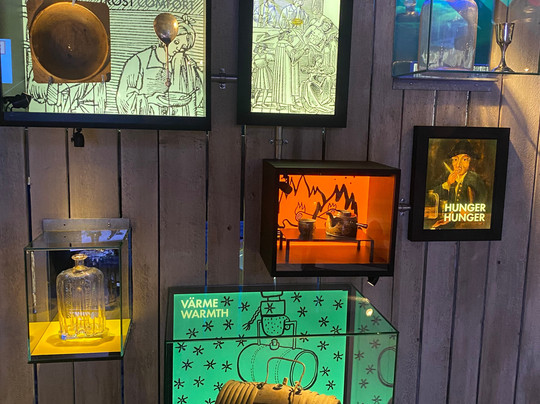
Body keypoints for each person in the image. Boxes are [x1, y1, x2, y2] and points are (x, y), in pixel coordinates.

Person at [116, 15, 203, 116]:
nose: (178, 48)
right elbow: (123, 100)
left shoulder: (185, 64)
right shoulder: (138, 62)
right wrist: (150, 100)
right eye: (176, 42)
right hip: (146, 122)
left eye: (182, 47)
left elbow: (200, 91)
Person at [434, 139, 487, 205]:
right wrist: (448, 183)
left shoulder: (475, 178)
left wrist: (470, 209)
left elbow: (483, 199)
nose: (458, 164)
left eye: (464, 159)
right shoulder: (446, 176)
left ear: (470, 162)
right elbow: (432, 195)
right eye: (455, 159)